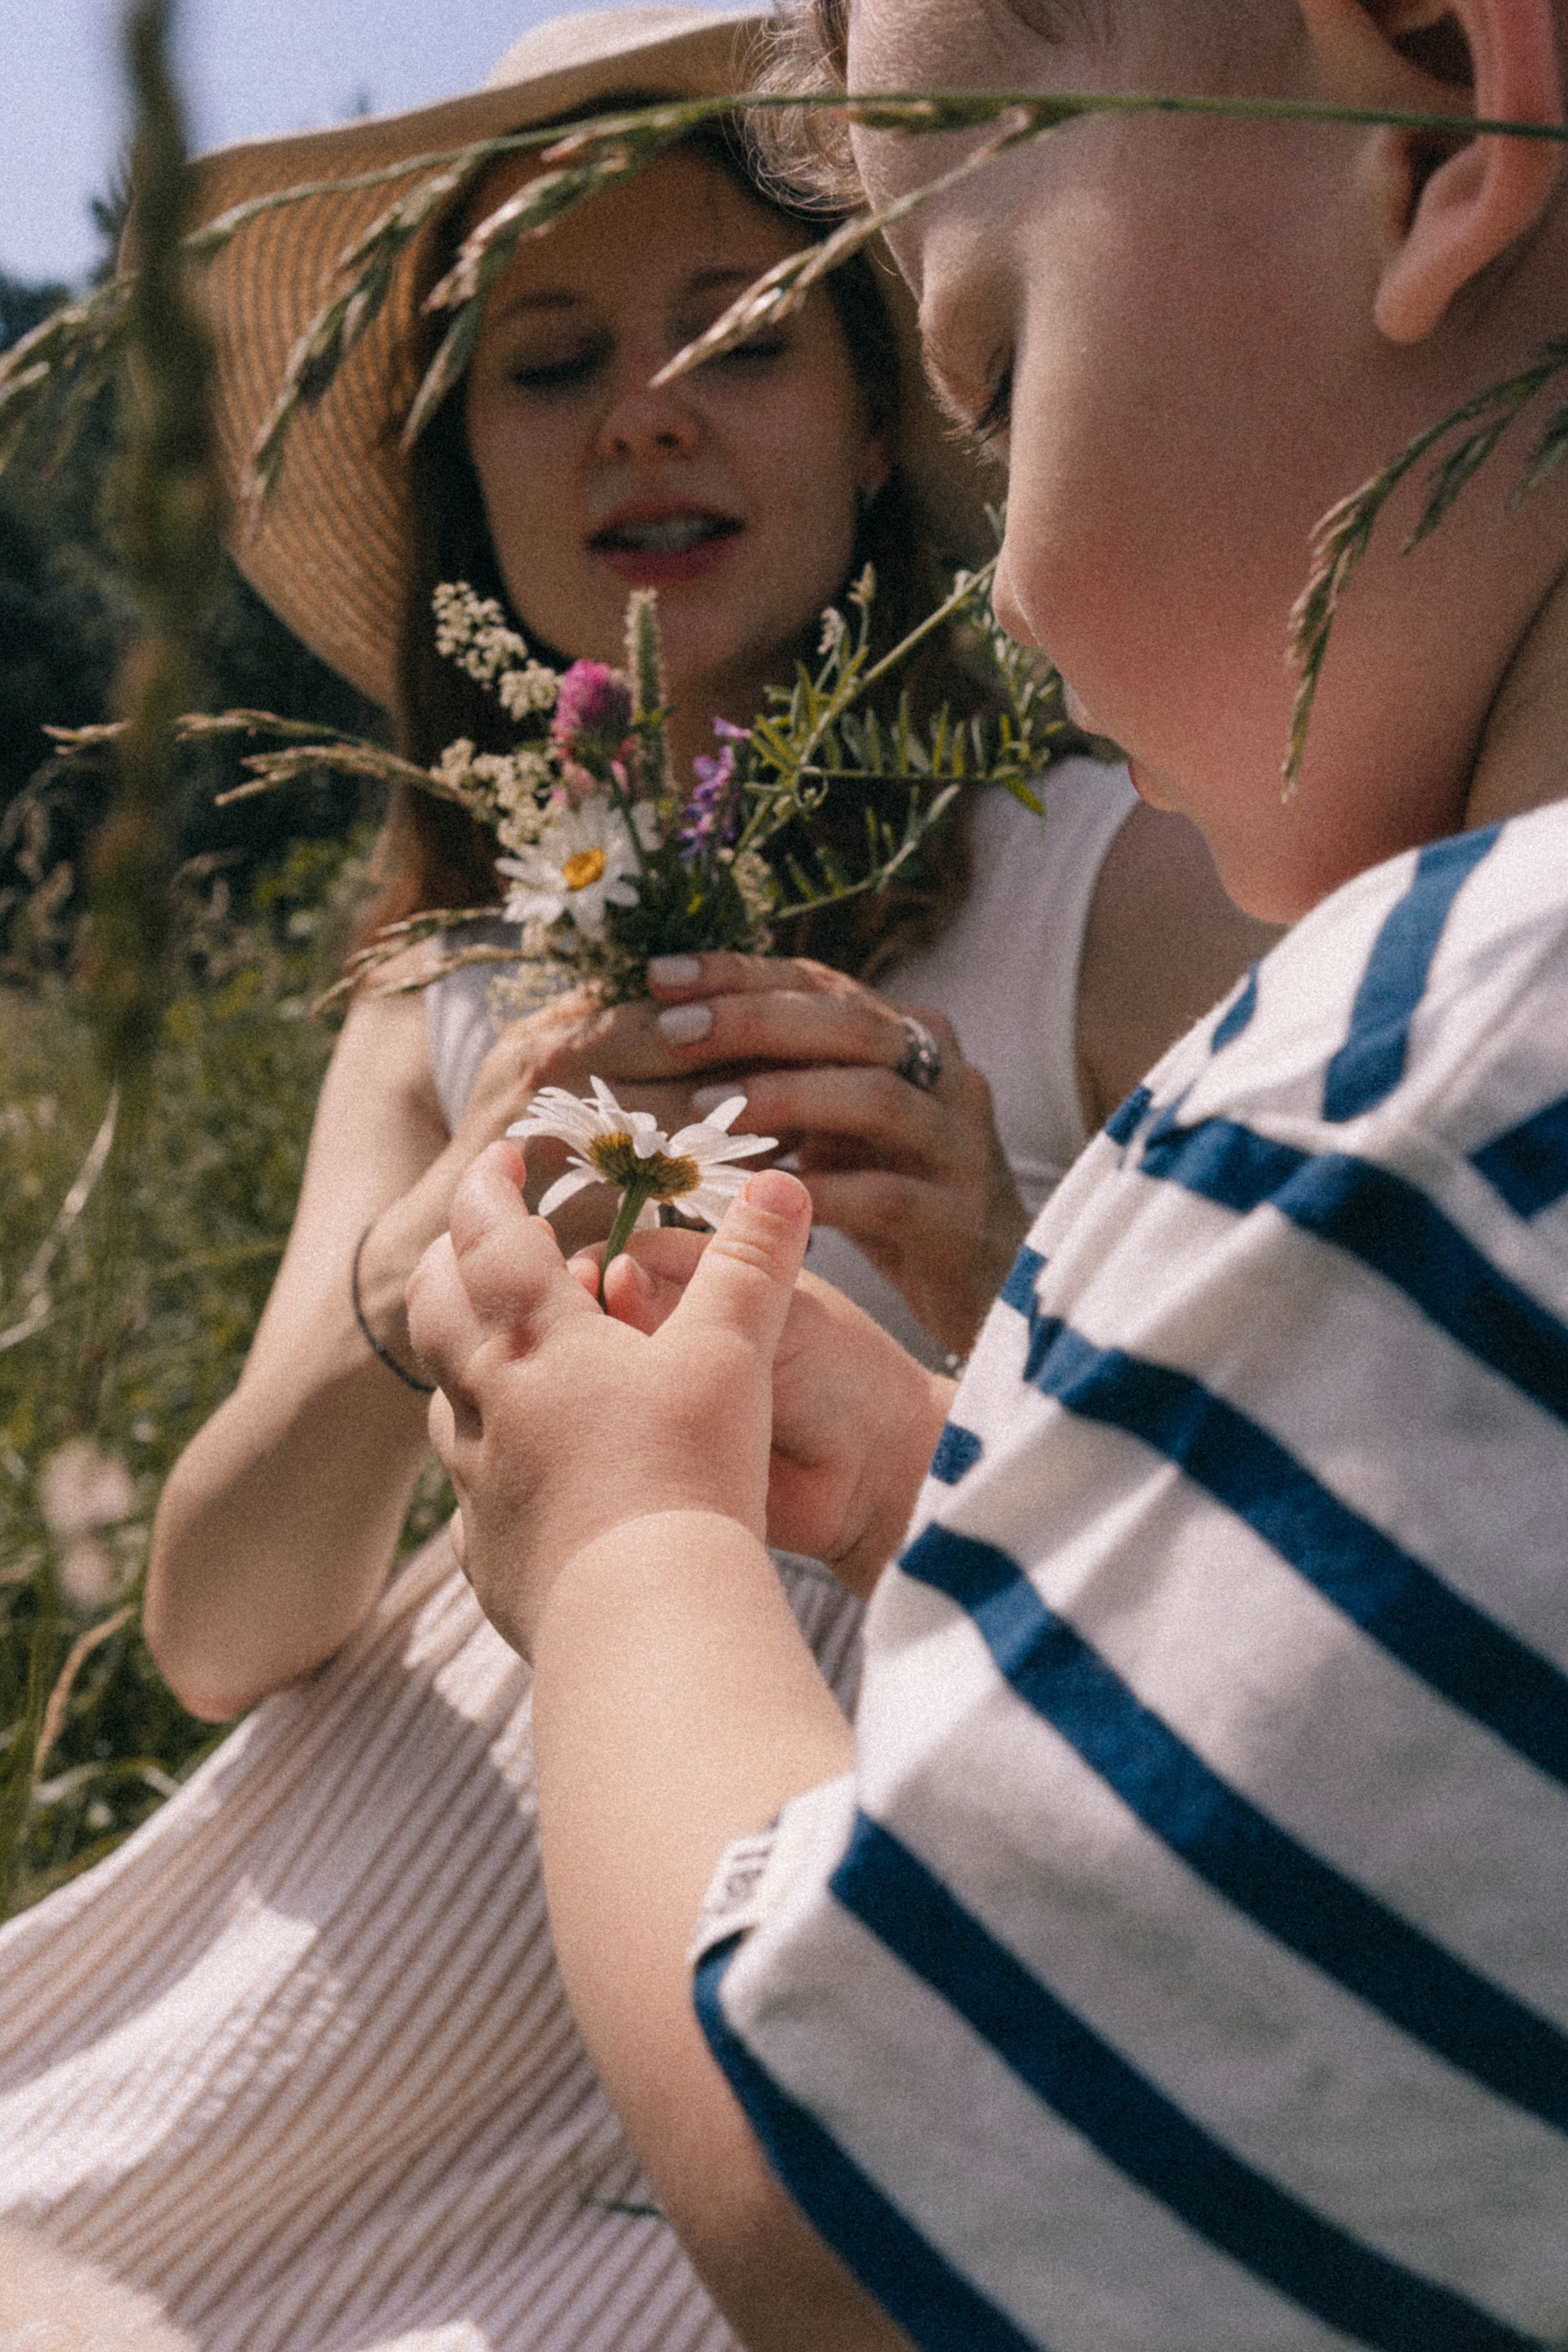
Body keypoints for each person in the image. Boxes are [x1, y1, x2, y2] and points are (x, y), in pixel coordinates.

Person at [0, 10, 1269, 2350]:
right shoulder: (444, 992)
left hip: (850, 1880)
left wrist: (997, 1266)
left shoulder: (1113, 887)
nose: (644, 411)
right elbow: (217, 1632)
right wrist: (409, 1298)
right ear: (465, 474)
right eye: (546, 361)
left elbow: (1320, 1543)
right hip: (390, 1923)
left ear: (887, 409)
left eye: (745, 338)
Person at [404, 2, 1568, 2350]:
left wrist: (626, 1537)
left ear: (1437, 97)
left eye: (1000, 373)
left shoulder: (1422, 1061)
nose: (1011, 595)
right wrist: (976, 1473)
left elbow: (850, 2201)